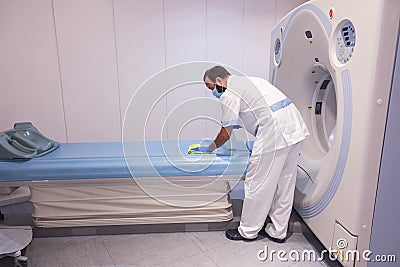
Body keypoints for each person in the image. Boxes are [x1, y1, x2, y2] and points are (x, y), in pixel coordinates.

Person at [195, 65, 309, 242]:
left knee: (257, 182)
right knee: (285, 183)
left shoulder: (229, 92)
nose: (213, 92)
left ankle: (248, 230)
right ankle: (277, 231)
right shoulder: (252, 80)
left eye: (211, 88)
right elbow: (256, 109)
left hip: (274, 131)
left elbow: (225, 133)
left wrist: (209, 148)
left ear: (219, 80)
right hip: (293, 126)